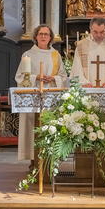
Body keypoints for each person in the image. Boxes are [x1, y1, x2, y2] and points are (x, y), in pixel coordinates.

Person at [15, 24, 67, 165]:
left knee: (50, 126)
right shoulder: (27, 55)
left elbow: (63, 76)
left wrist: (53, 78)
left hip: (51, 98)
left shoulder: (55, 55)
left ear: (50, 38)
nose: (43, 36)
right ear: (36, 37)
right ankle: (34, 161)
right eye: (41, 34)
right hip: (33, 96)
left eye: (46, 34)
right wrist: (35, 77)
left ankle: (51, 162)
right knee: (33, 128)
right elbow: (19, 77)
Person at [70, 17, 105, 88]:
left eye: (102, 32)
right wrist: (84, 83)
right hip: (87, 90)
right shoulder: (81, 47)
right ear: (90, 29)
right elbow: (76, 69)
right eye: (95, 32)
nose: (98, 35)